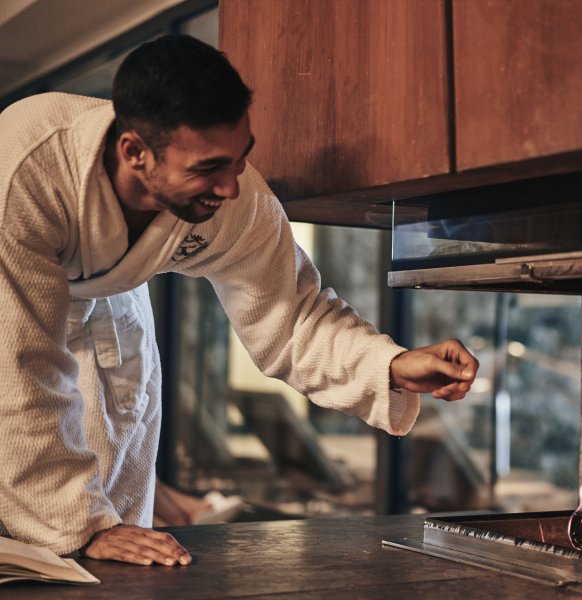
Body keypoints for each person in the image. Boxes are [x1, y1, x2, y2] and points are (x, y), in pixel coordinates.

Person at [0, 34, 478, 567]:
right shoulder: (25, 173)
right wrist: (79, 525)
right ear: (134, 151)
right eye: (208, 168)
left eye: (239, 159)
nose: (230, 188)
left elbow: (291, 314)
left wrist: (389, 363)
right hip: (8, 326)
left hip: (110, 317)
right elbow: (17, 370)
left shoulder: (234, 194)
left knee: (115, 554)